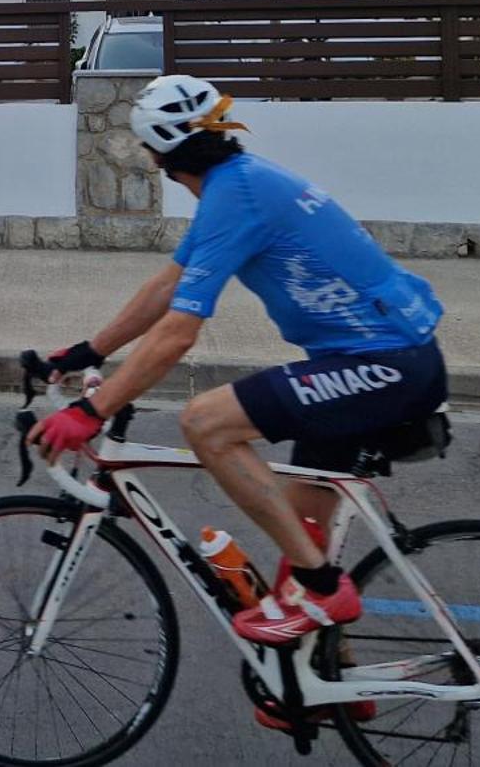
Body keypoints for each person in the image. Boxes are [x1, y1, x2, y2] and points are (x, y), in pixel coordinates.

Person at [29, 73, 447, 654]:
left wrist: (93, 410)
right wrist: (90, 351)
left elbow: (178, 333)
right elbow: (168, 285)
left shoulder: (235, 195)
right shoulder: (238, 184)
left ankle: (325, 591)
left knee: (207, 423)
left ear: (157, 155)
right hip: (387, 358)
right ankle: (329, 682)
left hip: (385, 363)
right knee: (301, 536)